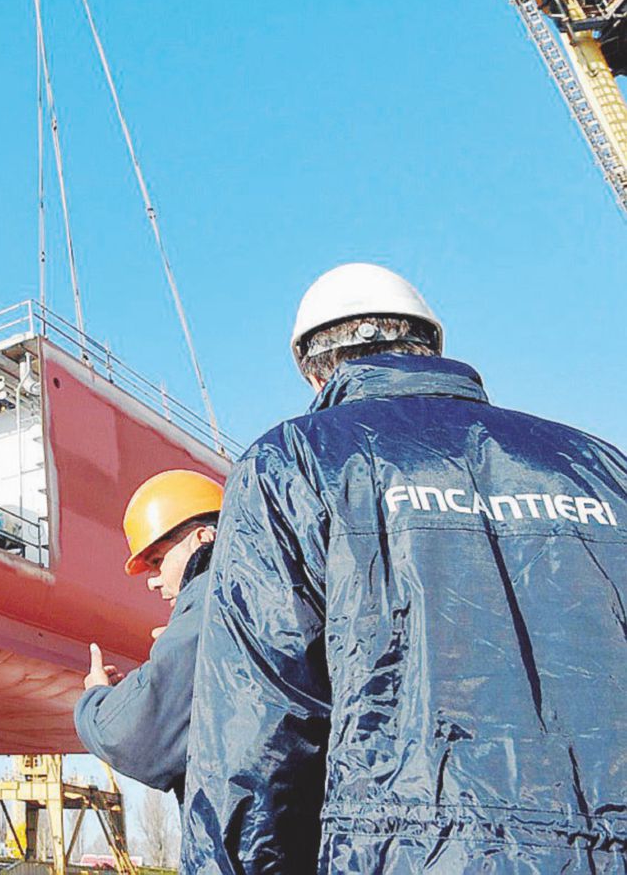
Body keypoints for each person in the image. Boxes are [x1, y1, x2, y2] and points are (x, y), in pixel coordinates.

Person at [183, 263, 627, 873]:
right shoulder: (602, 467)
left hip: (406, 853)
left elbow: (254, 741)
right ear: (432, 347)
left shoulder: (294, 461)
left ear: (316, 373)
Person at [75, 469, 223, 803]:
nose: (152, 581)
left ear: (203, 538)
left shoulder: (209, 609)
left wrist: (96, 696)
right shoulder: (264, 595)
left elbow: (128, 737)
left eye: (157, 561)